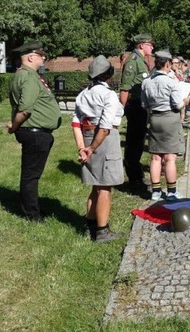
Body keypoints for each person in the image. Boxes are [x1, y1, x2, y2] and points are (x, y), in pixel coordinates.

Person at [7, 41, 62, 222]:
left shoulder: (24, 75)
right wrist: (14, 126)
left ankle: (32, 208)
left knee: (31, 174)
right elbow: (25, 109)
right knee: (31, 176)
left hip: (36, 131)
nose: (44, 57)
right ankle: (32, 214)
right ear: (31, 57)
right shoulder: (29, 77)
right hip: (35, 133)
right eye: (41, 55)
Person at [71, 56, 124, 242]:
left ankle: (91, 224)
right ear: (108, 74)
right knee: (104, 188)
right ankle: (102, 230)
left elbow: (76, 123)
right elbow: (105, 126)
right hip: (104, 141)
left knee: (95, 185)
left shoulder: (83, 94)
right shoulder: (108, 95)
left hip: (86, 136)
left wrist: (82, 147)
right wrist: (92, 148)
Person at [141, 51, 190, 202]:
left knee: (156, 157)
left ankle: (155, 191)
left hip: (155, 118)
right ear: (168, 64)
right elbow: (177, 104)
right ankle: (171, 191)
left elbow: (144, 104)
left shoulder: (146, 82)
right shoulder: (172, 82)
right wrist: (186, 101)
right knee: (170, 157)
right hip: (170, 118)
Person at [119, 33, 154, 193]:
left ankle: (137, 174)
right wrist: (121, 110)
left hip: (141, 107)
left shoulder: (141, 60)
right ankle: (133, 178)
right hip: (134, 106)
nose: (152, 47)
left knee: (139, 142)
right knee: (133, 143)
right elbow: (125, 88)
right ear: (141, 45)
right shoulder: (132, 61)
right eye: (150, 44)